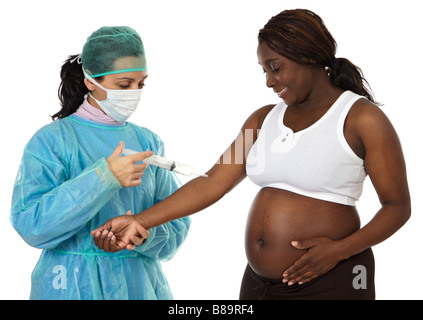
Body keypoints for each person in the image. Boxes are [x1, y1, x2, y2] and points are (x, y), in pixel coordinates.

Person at [92, 10, 411, 300]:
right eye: (264, 71)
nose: (270, 81)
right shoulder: (261, 120)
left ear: (308, 56)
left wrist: (339, 251)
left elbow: (397, 208)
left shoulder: (361, 118)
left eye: (275, 68)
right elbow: (213, 181)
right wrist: (138, 221)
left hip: (331, 277)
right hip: (259, 284)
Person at [10, 26, 191, 300]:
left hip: (139, 288)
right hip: (68, 287)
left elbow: (176, 227)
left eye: (141, 84)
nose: (134, 93)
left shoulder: (148, 142)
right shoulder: (53, 141)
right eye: (123, 84)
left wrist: (143, 235)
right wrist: (103, 178)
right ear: (91, 81)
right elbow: (32, 227)